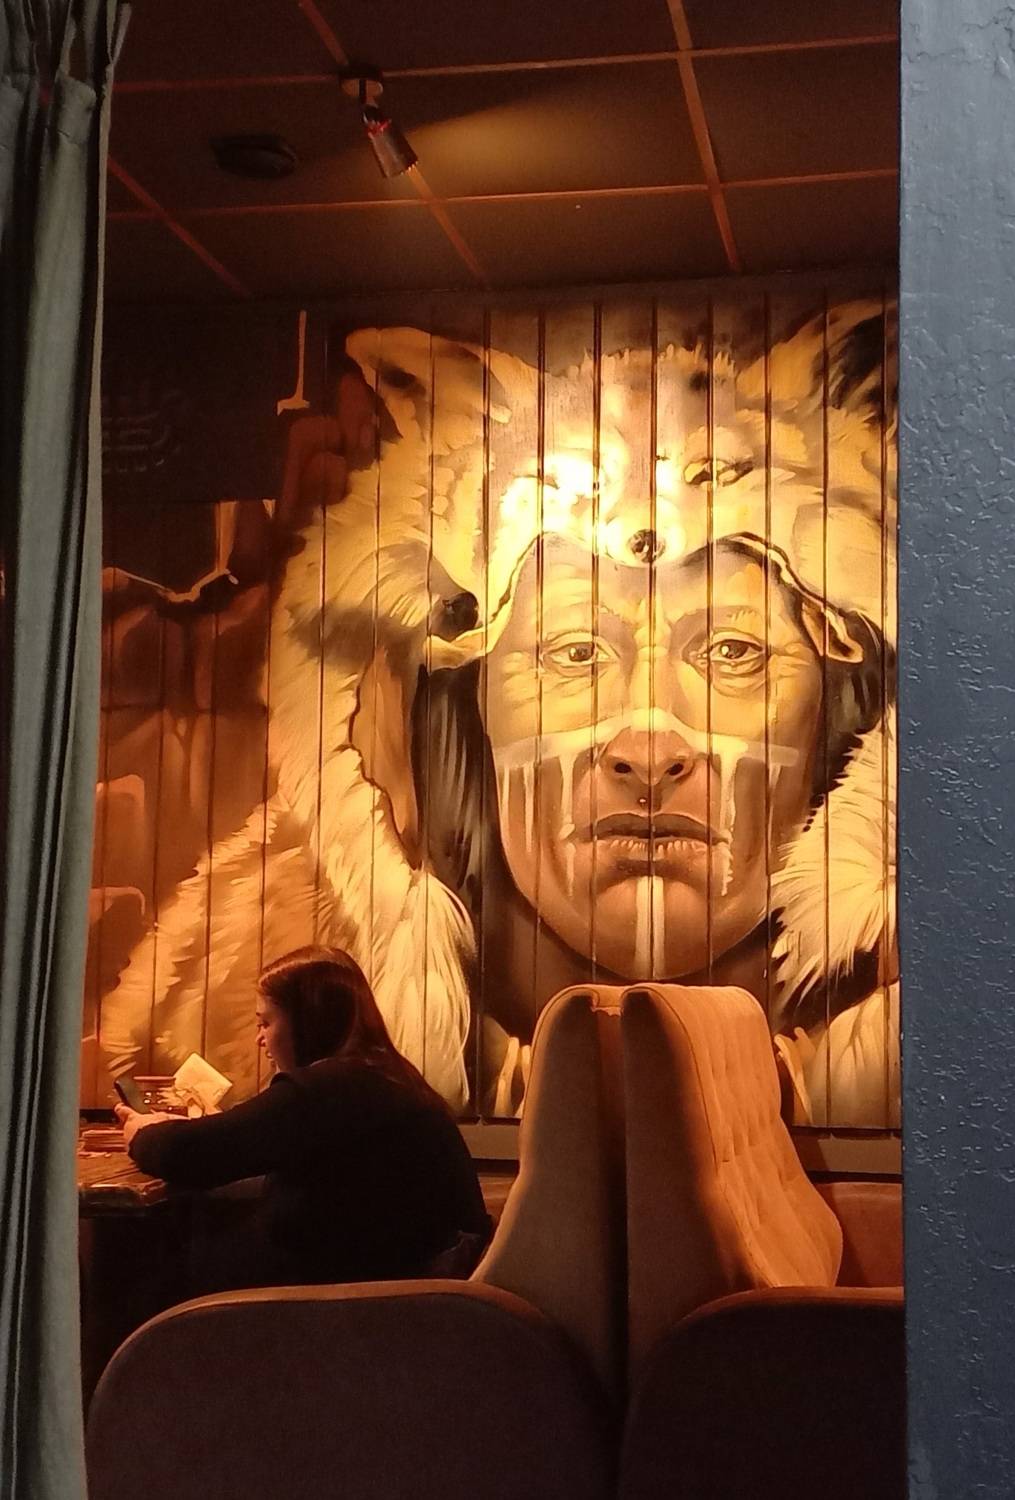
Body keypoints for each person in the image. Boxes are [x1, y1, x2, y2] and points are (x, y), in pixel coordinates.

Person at [114, 946, 491, 1287]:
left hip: (352, 1307)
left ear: (308, 1022)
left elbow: (185, 1152)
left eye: (266, 1022)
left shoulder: (329, 1088)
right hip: (410, 1292)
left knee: (137, 1250)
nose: (260, 1039)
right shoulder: (386, 1076)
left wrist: (143, 1130)